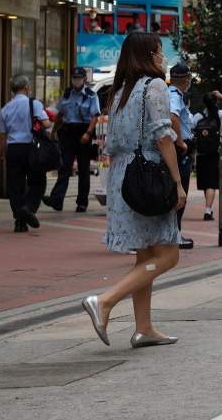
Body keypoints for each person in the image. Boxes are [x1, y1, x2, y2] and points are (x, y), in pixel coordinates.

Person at [80, 32, 187, 349]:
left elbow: (113, 140)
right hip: (149, 174)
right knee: (168, 255)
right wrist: (178, 182)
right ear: (148, 55)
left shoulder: (120, 90)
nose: (162, 57)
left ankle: (144, 327)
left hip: (123, 176)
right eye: (158, 51)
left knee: (145, 252)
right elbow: (163, 135)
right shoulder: (154, 86)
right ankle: (105, 301)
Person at [0, 75, 49, 233]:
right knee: (38, 181)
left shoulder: (5, 108)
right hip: (31, 147)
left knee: (15, 185)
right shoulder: (34, 103)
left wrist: (3, 153)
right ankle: (29, 208)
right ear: (26, 87)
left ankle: (19, 220)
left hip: (13, 148)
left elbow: (3, 135)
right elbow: (46, 123)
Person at [47, 66, 101, 212]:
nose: (76, 81)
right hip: (67, 132)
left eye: (79, 78)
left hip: (83, 131)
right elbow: (60, 114)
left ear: (84, 79)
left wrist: (88, 133)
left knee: (83, 168)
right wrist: (53, 132)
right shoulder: (67, 94)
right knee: (64, 166)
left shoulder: (91, 95)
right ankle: (57, 200)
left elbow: (95, 116)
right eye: (74, 78)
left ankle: (82, 202)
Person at [168, 63, 195, 250]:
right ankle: (174, 235)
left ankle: (173, 233)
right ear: (186, 79)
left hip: (180, 148)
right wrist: (180, 142)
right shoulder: (174, 95)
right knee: (180, 193)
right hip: (180, 150)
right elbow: (173, 117)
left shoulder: (171, 93)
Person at [194, 90, 222, 220]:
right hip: (215, 152)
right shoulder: (220, 115)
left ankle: (208, 208)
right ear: (216, 102)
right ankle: (207, 210)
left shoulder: (197, 116)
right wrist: (221, 96)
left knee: (206, 182)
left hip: (200, 153)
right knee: (211, 182)